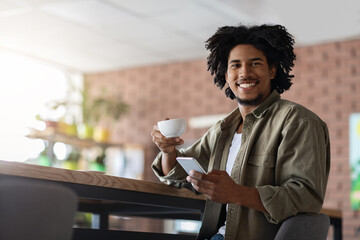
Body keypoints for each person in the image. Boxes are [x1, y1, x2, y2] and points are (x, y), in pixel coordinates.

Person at [151, 24, 330, 240]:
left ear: (272, 70)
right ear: (226, 75)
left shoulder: (298, 121)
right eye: (235, 65)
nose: (244, 73)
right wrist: (168, 151)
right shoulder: (223, 129)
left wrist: (237, 193)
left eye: (255, 63)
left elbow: (306, 197)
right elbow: (180, 175)